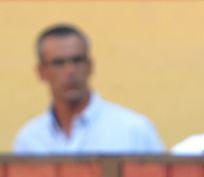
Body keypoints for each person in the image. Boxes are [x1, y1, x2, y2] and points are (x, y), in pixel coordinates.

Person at [13, 24, 163, 155]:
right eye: (58, 63)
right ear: (41, 72)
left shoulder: (133, 131)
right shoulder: (29, 139)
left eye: (77, 60)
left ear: (90, 66)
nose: (70, 70)